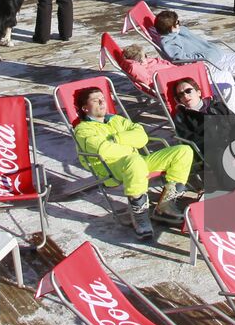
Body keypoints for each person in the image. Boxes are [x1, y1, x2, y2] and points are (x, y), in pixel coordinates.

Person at [71, 85, 193, 241]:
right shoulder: (83, 129)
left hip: (136, 163)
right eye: (95, 100)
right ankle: (139, 214)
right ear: (85, 108)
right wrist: (129, 144)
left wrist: (117, 139)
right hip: (109, 169)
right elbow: (103, 151)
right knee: (134, 160)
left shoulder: (116, 120)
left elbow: (142, 137)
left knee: (183, 151)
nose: (102, 102)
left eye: (103, 98)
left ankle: (165, 205)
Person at [155, 9, 235, 114]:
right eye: (177, 23)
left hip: (218, 56)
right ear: (171, 28)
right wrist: (205, 56)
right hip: (208, 64)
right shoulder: (169, 43)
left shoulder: (181, 31)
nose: (179, 24)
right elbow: (182, 61)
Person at [169, 75, 235, 182]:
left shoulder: (217, 106)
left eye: (188, 91)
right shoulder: (182, 117)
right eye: (180, 94)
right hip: (212, 149)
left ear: (198, 92)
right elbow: (190, 139)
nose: (185, 95)